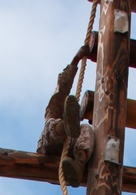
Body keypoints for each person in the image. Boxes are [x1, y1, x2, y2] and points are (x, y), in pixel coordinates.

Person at [36, 48, 95, 185]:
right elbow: (62, 87)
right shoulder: (52, 111)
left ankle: (78, 165)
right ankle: (64, 127)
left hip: (69, 157)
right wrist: (75, 61)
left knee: (86, 129)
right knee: (50, 124)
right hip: (49, 149)